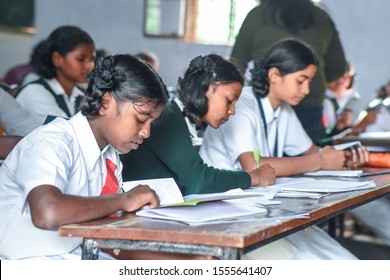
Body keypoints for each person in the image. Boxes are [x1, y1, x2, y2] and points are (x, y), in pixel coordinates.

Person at [0, 54, 211, 260]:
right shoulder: (53, 141)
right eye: (140, 119)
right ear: (105, 102)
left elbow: (104, 240)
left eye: (150, 123)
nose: (146, 132)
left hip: (73, 257)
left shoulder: (108, 158)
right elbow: (47, 212)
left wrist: (188, 262)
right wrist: (124, 199)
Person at [121, 54, 275, 196]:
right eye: (229, 100)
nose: (232, 111)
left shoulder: (178, 118)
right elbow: (199, 181)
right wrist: (255, 177)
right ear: (205, 89)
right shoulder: (169, 117)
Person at [230, 0, 347, 145]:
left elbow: (236, 63)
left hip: (265, 96)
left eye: (307, 80)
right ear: (273, 75)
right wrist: (314, 79)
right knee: (305, 163)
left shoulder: (258, 15)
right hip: (309, 104)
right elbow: (338, 67)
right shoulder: (321, 17)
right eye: (300, 81)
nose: (304, 88)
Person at [16, 25, 96, 125]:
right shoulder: (34, 93)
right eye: (81, 59)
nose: (90, 66)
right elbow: (68, 131)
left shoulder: (80, 94)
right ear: (57, 59)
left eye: (92, 60)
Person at [322, 64, 376, 142]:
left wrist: (339, 127)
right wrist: (359, 126)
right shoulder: (325, 103)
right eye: (336, 76)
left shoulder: (341, 100)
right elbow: (322, 143)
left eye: (345, 77)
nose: (340, 81)